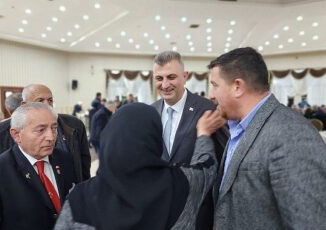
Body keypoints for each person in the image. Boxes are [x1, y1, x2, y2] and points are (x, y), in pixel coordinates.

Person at [208, 47, 326, 229]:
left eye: (215, 85)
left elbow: (309, 223)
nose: (211, 95)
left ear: (237, 87)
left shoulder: (292, 134)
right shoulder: (237, 128)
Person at [54, 103, 222, 230]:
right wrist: (203, 134)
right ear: (155, 139)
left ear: (109, 138)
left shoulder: (79, 199)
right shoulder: (183, 182)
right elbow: (207, 166)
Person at [152, 50, 228, 229]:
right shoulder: (150, 112)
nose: (165, 84)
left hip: (198, 214)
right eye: (159, 78)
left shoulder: (207, 109)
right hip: (160, 214)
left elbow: (225, 160)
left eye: (171, 77)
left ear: (185, 76)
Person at [0, 102, 77, 229]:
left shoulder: (64, 159)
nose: (51, 137)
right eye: (41, 130)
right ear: (16, 134)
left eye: (54, 128)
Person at [0, 84, 91, 182]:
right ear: (24, 105)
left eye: (50, 100)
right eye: (40, 101)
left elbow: (84, 164)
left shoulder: (73, 125)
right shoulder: (2, 131)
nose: (47, 105)